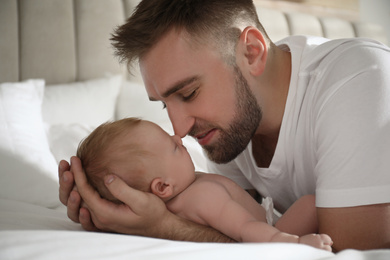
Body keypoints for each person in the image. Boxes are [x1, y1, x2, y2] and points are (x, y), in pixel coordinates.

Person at [59, 0, 390, 251]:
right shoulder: (227, 131)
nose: (178, 128)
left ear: (251, 53)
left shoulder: (358, 81)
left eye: (188, 93)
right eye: (163, 103)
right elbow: (233, 226)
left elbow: (353, 251)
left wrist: (162, 227)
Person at [76, 117, 332, 250]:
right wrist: (293, 244)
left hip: (263, 226)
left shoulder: (182, 190)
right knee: (311, 205)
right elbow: (245, 229)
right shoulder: (204, 196)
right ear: (162, 187)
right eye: (172, 147)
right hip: (267, 231)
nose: (179, 138)